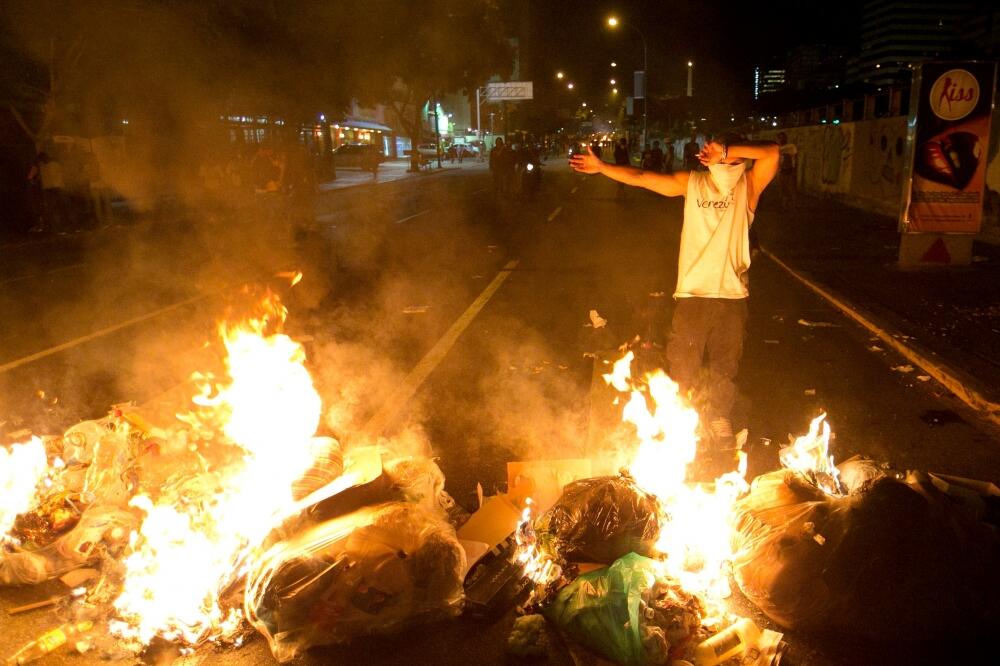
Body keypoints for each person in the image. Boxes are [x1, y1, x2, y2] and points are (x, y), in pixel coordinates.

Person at [570, 131, 779, 474]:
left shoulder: (748, 189)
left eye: (729, 156)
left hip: (731, 296)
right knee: (684, 367)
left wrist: (729, 149)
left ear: (738, 158)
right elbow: (642, 177)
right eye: (718, 154)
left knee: (726, 366)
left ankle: (718, 418)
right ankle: (686, 424)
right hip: (692, 296)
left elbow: (771, 153)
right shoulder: (693, 183)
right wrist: (602, 167)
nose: (723, 162)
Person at [777, 132, 798, 209]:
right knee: (783, 189)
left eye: (783, 137)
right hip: (782, 170)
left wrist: (794, 169)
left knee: (791, 188)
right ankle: (784, 205)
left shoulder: (791, 146)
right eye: (780, 138)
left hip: (790, 170)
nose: (781, 139)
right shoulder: (778, 148)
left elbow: (795, 158)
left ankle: (794, 205)